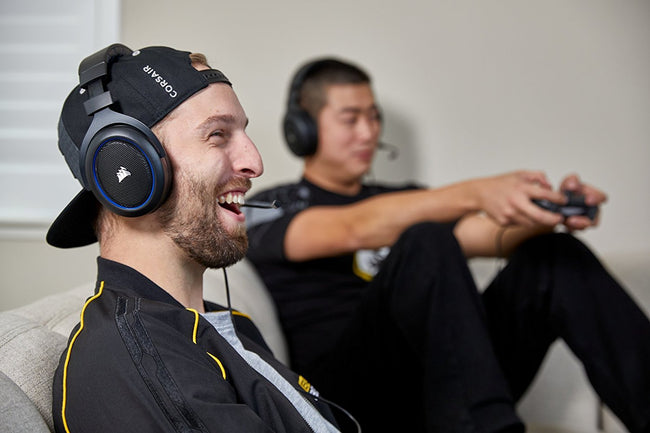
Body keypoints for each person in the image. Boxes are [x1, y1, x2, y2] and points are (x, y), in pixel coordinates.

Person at [244, 57, 650, 433]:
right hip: (353, 399)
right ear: (303, 129)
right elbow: (352, 228)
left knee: (554, 254)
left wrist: (550, 212)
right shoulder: (272, 205)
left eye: (373, 116)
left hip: (448, 382)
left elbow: (485, 235)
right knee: (425, 237)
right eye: (351, 119)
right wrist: (477, 192)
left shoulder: (409, 198)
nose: (368, 132)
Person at [47, 44, 349, 433]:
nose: (254, 163)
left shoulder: (223, 324)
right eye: (217, 134)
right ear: (129, 167)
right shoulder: (135, 360)